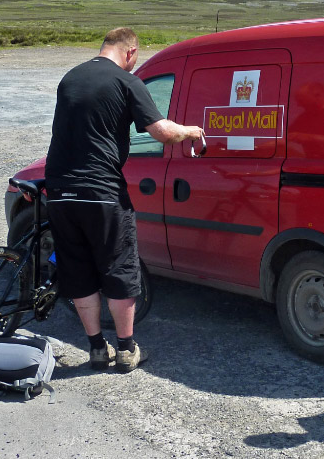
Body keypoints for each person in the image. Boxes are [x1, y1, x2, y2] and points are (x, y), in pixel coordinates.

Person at [44, 28, 204, 373]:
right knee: (118, 268)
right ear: (130, 53)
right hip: (101, 193)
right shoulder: (126, 82)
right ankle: (126, 350)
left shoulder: (70, 78)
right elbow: (161, 132)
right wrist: (190, 131)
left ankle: (95, 350)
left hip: (59, 191)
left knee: (79, 271)